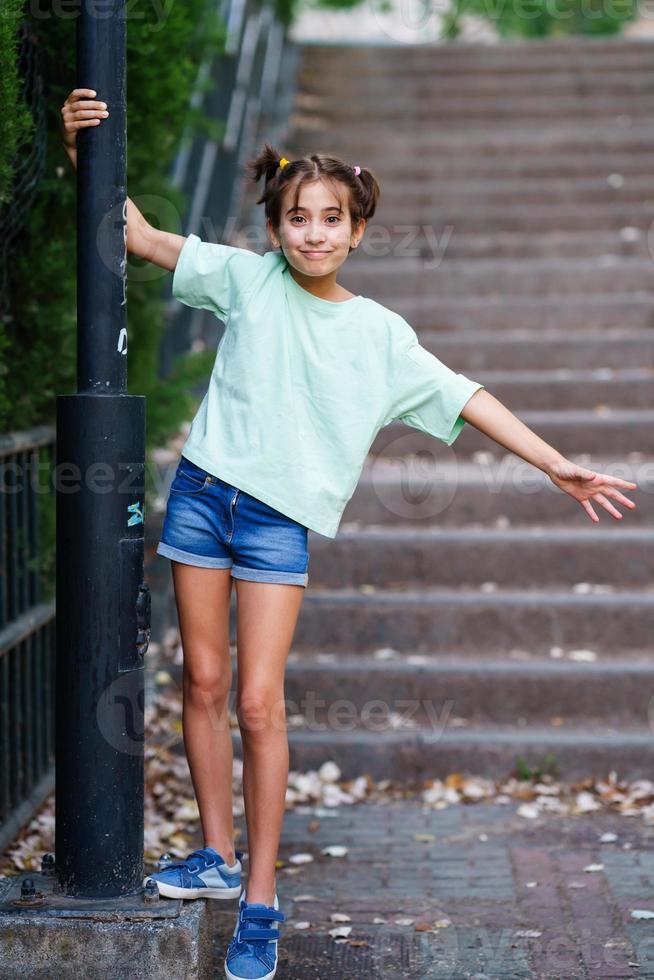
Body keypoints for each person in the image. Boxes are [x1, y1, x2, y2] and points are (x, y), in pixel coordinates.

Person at [61, 88, 639, 980]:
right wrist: (79, 149)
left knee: (260, 701)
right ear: (278, 226)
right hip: (205, 500)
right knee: (203, 683)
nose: (314, 233)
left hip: (275, 526)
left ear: (358, 232)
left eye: (332, 219)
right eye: (298, 218)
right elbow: (136, 234)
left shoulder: (381, 337)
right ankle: (213, 860)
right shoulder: (245, 279)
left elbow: (466, 397)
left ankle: (260, 897)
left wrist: (553, 462)